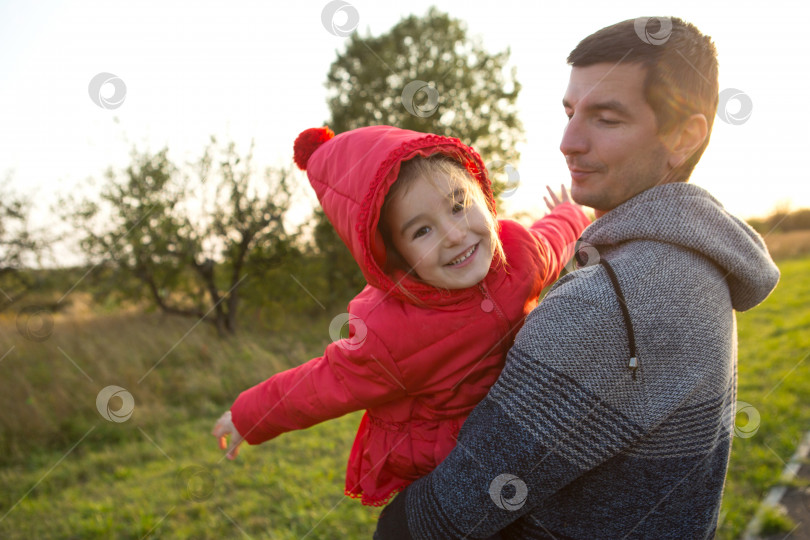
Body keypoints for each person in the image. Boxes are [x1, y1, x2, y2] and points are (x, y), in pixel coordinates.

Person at [374, 17, 780, 539]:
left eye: (605, 118)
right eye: (569, 112)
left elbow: (445, 517)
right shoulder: (693, 258)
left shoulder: (612, 301)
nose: (568, 141)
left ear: (683, 135)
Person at [211, 125, 591, 507]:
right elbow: (321, 384)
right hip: (445, 463)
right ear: (396, 257)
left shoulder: (518, 253)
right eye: (423, 230)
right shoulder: (391, 333)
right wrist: (249, 416)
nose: (455, 235)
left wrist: (571, 213)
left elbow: (553, 238)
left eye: (459, 206)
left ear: (483, 197)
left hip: (514, 426)